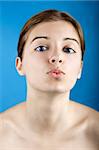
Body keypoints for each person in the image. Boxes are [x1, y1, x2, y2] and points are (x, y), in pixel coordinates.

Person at [0, 9, 99, 150]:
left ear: (80, 68)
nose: (57, 57)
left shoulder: (96, 133)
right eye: (41, 48)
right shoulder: (2, 134)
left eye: (68, 49)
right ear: (20, 65)